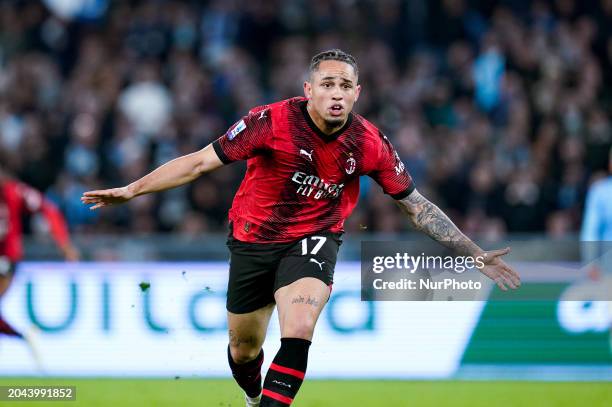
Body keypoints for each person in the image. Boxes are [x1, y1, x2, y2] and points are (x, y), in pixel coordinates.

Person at [81, 49, 520, 407]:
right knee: (244, 351)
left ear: (357, 94)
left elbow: (415, 206)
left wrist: (472, 251)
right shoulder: (269, 122)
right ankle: (255, 397)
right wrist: (132, 190)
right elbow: (198, 162)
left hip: (315, 238)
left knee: (300, 323)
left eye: (345, 85)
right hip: (252, 240)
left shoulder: (369, 143)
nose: (336, 93)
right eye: (327, 84)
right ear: (308, 89)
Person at [0, 164, 79, 343]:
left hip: (6, 258)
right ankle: (25, 337)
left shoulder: (15, 192)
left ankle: (25, 337)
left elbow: (48, 209)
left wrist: (63, 242)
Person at [581, 146, 612, 352]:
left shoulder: (600, 190)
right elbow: (590, 231)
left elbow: (590, 231)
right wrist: (591, 261)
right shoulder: (600, 190)